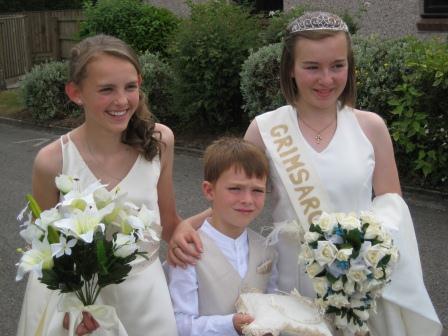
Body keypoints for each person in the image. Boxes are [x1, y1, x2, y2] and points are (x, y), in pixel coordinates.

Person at [168, 11, 442, 336]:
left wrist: (366, 252)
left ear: (349, 67)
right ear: (291, 69)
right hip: (290, 286)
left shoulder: (371, 127)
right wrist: (186, 226)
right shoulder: (266, 129)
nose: (326, 79)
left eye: (337, 66)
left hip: (356, 284)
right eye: (312, 67)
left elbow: (392, 205)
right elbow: (235, 193)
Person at [17, 34, 179, 336]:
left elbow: (169, 224)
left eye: (130, 87)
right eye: (106, 90)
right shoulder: (52, 162)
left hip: (147, 298)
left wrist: (214, 222)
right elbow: (46, 251)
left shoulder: (159, 142)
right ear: (76, 93)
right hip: (86, 308)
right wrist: (67, 308)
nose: (121, 100)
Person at [167, 137, 278, 336]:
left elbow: (274, 304)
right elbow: (180, 322)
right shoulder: (187, 250)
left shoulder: (267, 248)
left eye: (257, 191)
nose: (247, 200)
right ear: (209, 190)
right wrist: (229, 325)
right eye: (235, 189)